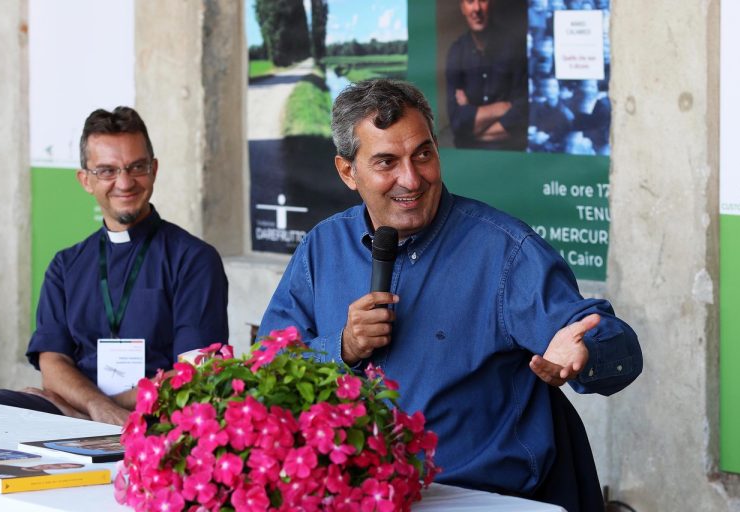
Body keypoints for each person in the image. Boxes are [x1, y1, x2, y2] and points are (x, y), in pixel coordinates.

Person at [258, 79, 642, 512]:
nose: (411, 178)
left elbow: (618, 344)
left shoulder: (504, 251)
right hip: (354, 495)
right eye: (386, 161)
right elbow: (267, 370)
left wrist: (586, 352)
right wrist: (342, 347)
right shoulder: (322, 248)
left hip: (478, 497)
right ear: (348, 171)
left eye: (422, 153)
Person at [0, 107, 229, 426]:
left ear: (154, 169)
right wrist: (96, 407)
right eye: (107, 171)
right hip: (77, 410)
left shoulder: (193, 259)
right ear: (85, 180)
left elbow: (192, 375)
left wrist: (90, 408)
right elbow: (52, 361)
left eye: (136, 167)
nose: (124, 183)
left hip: (157, 416)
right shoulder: (65, 265)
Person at [445, 0, 528, 150]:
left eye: (482, 1)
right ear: (462, 8)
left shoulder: (515, 48)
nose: (476, 8)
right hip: (469, 158)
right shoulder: (456, 52)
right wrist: (504, 106)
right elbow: (457, 121)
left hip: (508, 156)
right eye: (470, 2)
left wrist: (471, 127)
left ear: (492, 4)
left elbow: (520, 116)